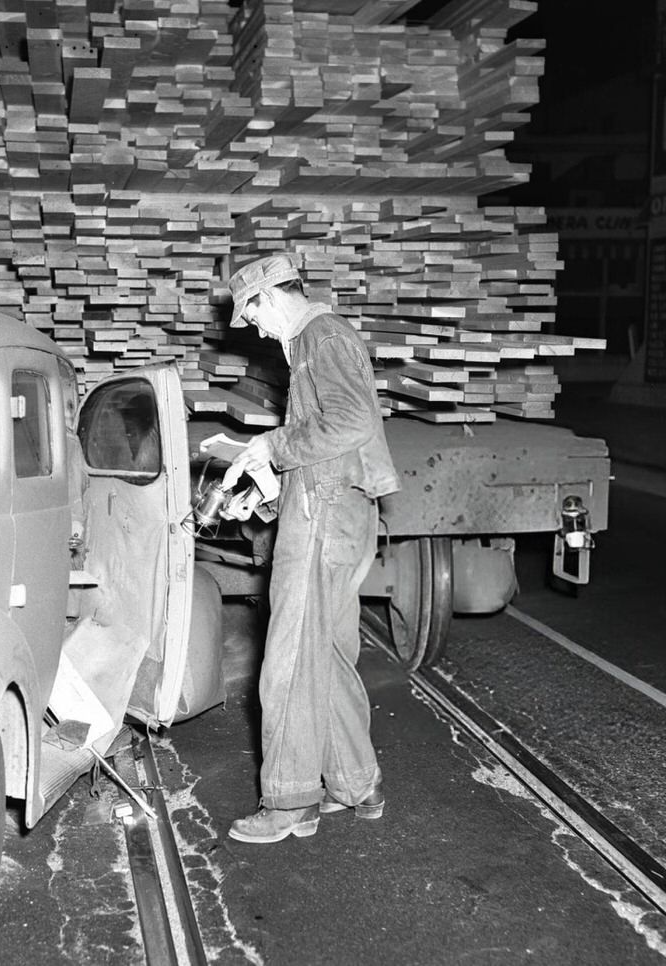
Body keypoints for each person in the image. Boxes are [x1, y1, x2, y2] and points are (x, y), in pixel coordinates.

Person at [223, 252, 399, 844]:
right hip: (332, 509)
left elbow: (351, 423)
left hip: (324, 517)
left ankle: (292, 800)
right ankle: (356, 782)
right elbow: (330, 445)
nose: (251, 329)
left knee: (291, 661)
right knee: (324, 652)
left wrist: (273, 447)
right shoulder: (316, 342)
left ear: (268, 297)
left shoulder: (320, 337)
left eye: (250, 316)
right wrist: (269, 489)